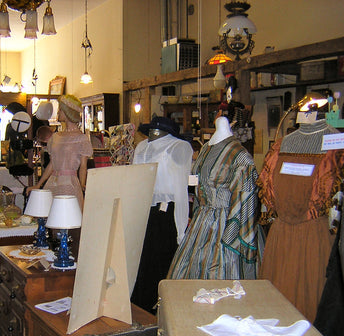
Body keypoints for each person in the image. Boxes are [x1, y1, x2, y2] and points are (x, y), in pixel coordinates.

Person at [257, 116, 344, 322]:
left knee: (311, 309)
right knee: (276, 312)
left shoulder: (338, 144)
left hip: (314, 240)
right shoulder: (280, 146)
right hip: (283, 240)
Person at [168, 116, 263, 280]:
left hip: (226, 223)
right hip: (201, 221)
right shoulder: (205, 149)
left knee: (220, 273)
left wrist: (233, 237)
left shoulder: (241, 157)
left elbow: (247, 200)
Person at [131, 116, 193, 314]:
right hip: (145, 211)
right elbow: (136, 183)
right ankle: (142, 311)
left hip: (168, 214)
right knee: (143, 263)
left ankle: (160, 313)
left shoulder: (179, 148)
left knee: (161, 264)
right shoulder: (141, 147)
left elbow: (181, 191)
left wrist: (181, 228)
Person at [25, 94, 93, 210]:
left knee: (66, 217)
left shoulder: (81, 139)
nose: (58, 112)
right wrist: (39, 184)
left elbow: (83, 166)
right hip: (52, 183)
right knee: (50, 217)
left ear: (68, 112)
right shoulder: (56, 137)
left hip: (69, 184)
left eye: (61, 109)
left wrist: (82, 184)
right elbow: (52, 164)